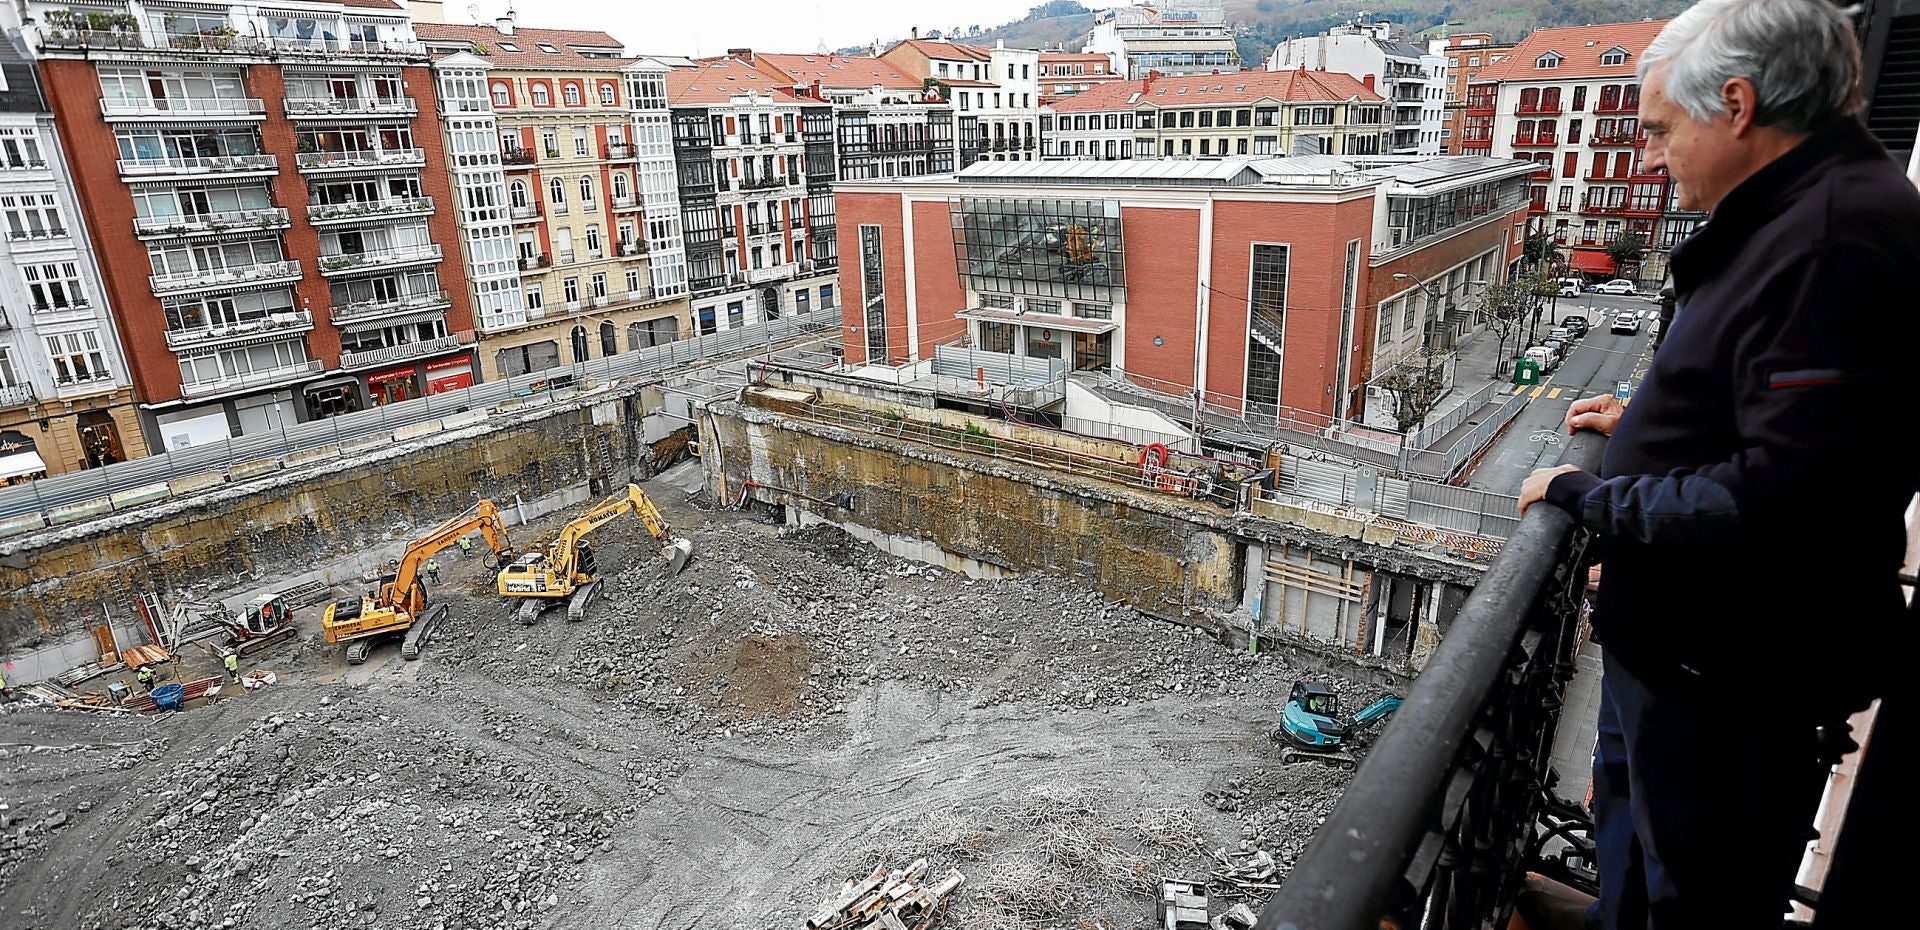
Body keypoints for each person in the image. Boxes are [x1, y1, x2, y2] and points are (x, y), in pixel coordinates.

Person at [1516, 2, 1919, 927]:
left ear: (1736, 106)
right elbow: (1787, 419)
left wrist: (1587, 493)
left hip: (1731, 672)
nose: (1651, 154)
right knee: (1635, 857)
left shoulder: (1831, 243)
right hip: (1695, 655)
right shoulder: (1808, 217)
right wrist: (1653, 420)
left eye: (1661, 129)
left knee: (1693, 897)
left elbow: (1783, 498)